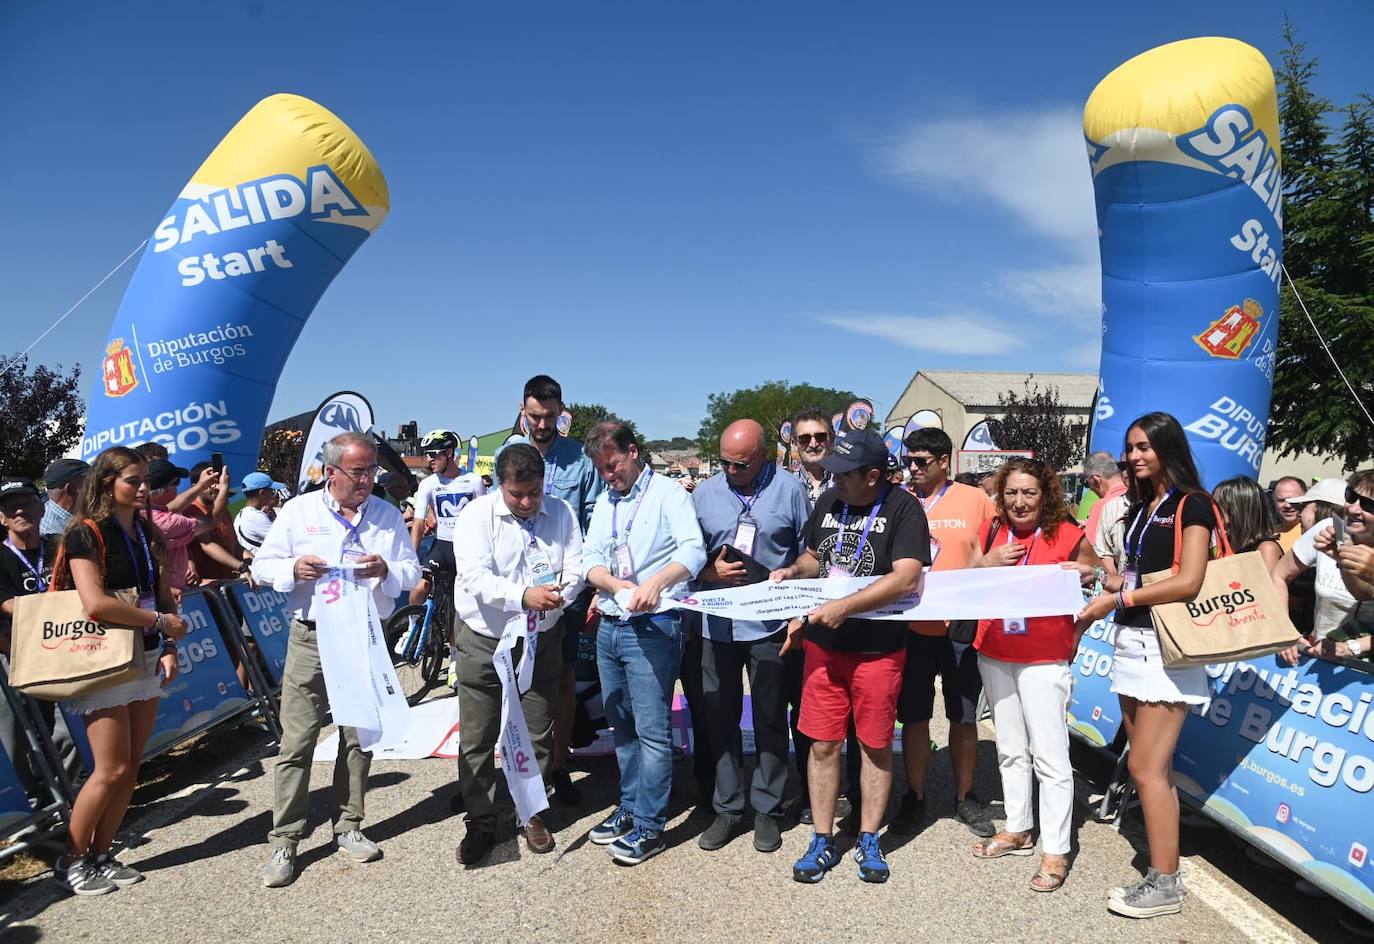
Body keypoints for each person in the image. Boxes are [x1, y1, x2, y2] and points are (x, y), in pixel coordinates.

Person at [251, 432, 421, 888]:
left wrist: (386, 570)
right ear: (330, 472)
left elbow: (411, 571)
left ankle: (348, 825)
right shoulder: (298, 512)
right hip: (312, 635)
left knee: (356, 736)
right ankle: (285, 838)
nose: (367, 480)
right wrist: (293, 569)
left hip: (364, 636)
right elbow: (261, 567)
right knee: (298, 740)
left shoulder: (385, 515)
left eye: (371, 471)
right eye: (358, 471)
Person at [772, 427, 931, 885]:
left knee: (875, 745)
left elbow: (905, 578)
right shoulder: (829, 501)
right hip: (825, 648)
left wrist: (846, 606)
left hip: (878, 652)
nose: (834, 478)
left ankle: (868, 836)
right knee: (823, 744)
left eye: (845, 473)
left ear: (874, 474)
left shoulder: (903, 508)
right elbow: (813, 556)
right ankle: (822, 838)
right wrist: (792, 571)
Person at [1078, 412, 1218, 918]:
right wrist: (1102, 580)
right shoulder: (1140, 506)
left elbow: (1189, 581)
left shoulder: (1192, 503)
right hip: (1130, 642)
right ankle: (1162, 873)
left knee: (1146, 768)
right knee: (1145, 766)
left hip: (1167, 649)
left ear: (1167, 448)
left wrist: (1118, 599)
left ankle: (1165, 882)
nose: (1134, 457)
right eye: (1129, 450)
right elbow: (1136, 577)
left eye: (1144, 448)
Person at [50, 447, 188, 896]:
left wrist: (166, 641)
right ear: (107, 482)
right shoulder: (86, 533)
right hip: (104, 657)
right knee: (108, 769)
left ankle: (102, 854)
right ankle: (70, 859)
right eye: (134, 480)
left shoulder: (146, 530)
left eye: (146, 479)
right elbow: (94, 602)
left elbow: (158, 590)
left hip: (144, 653)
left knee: (130, 768)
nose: (144, 488)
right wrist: (159, 623)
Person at [967, 458, 1101, 892]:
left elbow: (1110, 579)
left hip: (1043, 657)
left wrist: (1090, 573)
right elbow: (964, 581)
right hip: (995, 650)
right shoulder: (992, 532)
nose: (1019, 502)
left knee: (1050, 756)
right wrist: (986, 563)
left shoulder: (1067, 533)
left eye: (1029, 493)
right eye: (1011, 493)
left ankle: (1056, 849)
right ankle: (1020, 826)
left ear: (1046, 496)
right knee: (1008, 747)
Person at [450, 443, 584, 863]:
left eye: (535, 493)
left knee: (536, 727)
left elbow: (577, 564)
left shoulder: (560, 512)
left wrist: (563, 591)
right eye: (517, 495)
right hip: (485, 637)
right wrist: (523, 595)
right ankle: (482, 819)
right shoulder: (476, 516)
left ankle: (533, 812)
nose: (527, 503)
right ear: (499, 486)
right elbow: (474, 576)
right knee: (478, 733)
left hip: (541, 638)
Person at [581, 421, 706, 865]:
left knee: (652, 732)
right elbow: (589, 559)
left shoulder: (669, 494)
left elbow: (693, 552)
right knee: (623, 727)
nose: (608, 476)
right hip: (612, 623)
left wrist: (656, 582)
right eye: (601, 470)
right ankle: (630, 808)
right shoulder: (604, 501)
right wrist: (614, 585)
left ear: (633, 452)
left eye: (612, 466)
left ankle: (651, 826)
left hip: (654, 627)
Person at [692, 419, 809, 855]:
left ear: (764, 455)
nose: (730, 470)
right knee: (719, 718)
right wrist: (709, 571)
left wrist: (799, 611)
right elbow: (685, 558)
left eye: (740, 464)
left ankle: (767, 807)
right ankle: (727, 807)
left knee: (769, 716)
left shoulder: (790, 490)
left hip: (770, 626)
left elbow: (808, 553)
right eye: (724, 462)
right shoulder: (703, 495)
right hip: (717, 625)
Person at [891, 427, 997, 838]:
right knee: (914, 716)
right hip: (910, 627)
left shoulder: (976, 501)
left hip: (961, 627)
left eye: (921, 461)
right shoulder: (897, 500)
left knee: (964, 716)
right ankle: (915, 797)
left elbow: (1001, 546)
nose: (912, 468)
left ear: (944, 462)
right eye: (908, 460)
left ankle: (965, 797)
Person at [517, 375, 605, 806]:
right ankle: (520, 762)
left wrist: (582, 583)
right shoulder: (508, 455)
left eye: (551, 416)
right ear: (523, 409)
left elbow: (591, 522)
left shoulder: (579, 460)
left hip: (566, 586)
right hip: (517, 588)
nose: (543, 423)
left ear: (561, 412)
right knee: (517, 677)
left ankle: (559, 762)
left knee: (565, 677)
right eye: (536, 415)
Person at [0, 478, 81, 796]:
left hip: (71, 649)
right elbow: (8, 605)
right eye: (10, 506)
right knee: (26, 735)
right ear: (2, 518)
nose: (20, 509)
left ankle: (74, 794)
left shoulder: (58, 546)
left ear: (41, 506)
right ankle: (42, 805)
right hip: (19, 656)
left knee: (71, 728)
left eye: (26, 502)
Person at [1274, 474, 1368, 656]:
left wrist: (1352, 648)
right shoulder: (1327, 530)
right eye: (1351, 498)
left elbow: (1363, 593)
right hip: (1317, 663)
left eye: (1368, 505)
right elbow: (1278, 575)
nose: (1355, 509)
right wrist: (1284, 632)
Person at [409, 430, 485, 611]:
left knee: (461, 605)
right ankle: (411, 625)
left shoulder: (474, 481)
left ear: (449, 453)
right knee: (421, 586)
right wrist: (410, 555)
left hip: (467, 548)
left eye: (433, 454)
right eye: (427, 455)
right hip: (442, 546)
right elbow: (419, 522)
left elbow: (483, 519)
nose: (428, 460)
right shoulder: (428, 483)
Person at [183, 461, 244, 581]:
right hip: (207, 588)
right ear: (196, 486)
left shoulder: (224, 511)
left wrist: (255, 561)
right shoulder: (190, 511)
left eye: (220, 483)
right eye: (211, 483)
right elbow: (207, 545)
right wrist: (241, 567)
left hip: (229, 583)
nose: (217, 487)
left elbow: (236, 546)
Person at [1212, 477, 1283, 569]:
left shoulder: (1266, 549)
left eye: (1218, 506)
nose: (1212, 510)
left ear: (1237, 510)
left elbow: (1269, 583)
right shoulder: (1220, 546)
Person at [234, 472, 287, 560]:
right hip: (259, 569)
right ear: (262, 493)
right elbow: (284, 540)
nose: (273, 495)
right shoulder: (255, 517)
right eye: (271, 491)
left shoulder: (243, 513)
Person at [790, 408, 836, 507]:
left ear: (831, 439)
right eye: (804, 438)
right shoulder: (785, 486)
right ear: (794, 443)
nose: (813, 444)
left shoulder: (846, 484)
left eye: (820, 436)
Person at [1083, 451, 1129, 548]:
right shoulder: (1135, 498)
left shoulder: (1101, 507)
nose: (1091, 489)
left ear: (1096, 480)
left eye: (1088, 484)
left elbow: (1090, 549)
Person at [40, 458, 89, 539]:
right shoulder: (52, 534)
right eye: (89, 485)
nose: (94, 490)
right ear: (70, 489)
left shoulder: (75, 515)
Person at [1272, 476, 1308, 554]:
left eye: (1293, 500)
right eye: (1281, 500)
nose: (1287, 506)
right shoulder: (1268, 533)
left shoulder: (1313, 534)